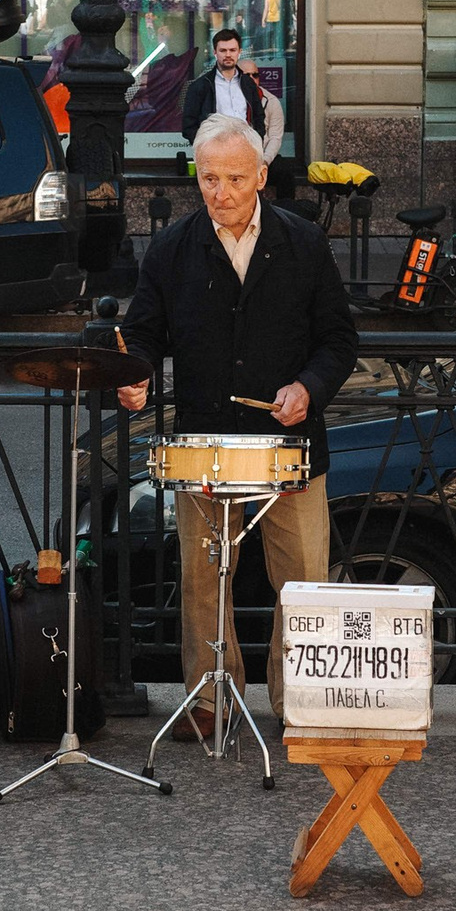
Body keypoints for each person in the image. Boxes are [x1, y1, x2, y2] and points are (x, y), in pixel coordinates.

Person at [116, 114, 358, 732]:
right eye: (207, 179)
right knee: (203, 577)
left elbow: (338, 339)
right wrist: (135, 374)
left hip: (290, 442)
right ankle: (207, 700)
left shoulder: (304, 243)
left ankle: (300, 699)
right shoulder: (172, 248)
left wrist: (309, 388)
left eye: (232, 179)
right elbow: (142, 332)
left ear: (262, 177)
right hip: (206, 439)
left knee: (302, 580)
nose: (218, 193)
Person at [179, 27, 282, 164]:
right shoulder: (200, 86)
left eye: (232, 50)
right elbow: (188, 125)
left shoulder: (248, 84)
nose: (228, 54)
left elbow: (259, 117)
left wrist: (256, 142)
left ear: (239, 52)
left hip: (246, 151)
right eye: (223, 50)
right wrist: (204, 147)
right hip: (215, 153)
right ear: (215, 52)